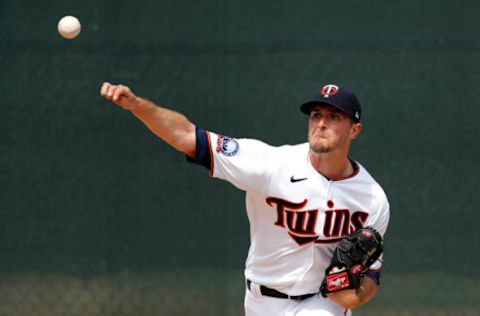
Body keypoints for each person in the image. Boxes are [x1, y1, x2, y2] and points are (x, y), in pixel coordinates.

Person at [100, 82, 390, 316]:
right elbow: (188, 136)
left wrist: (354, 297)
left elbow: (371, 275)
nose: (321, 124)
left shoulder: (372, 198)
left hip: (321, 302)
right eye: (316, 115)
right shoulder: (270, 164)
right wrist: (137, 106)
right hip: (261, 300)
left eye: (334, 117)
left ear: (355, 130)